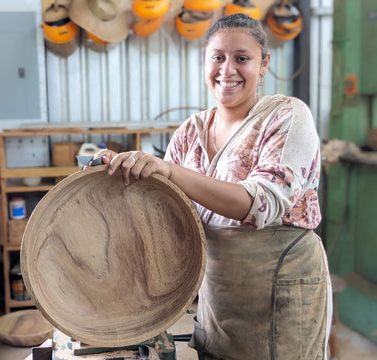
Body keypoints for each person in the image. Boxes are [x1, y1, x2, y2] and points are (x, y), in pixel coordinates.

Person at [92, 13, 331, 360]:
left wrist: (168, 170)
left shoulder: (286, 116)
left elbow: (260, 203)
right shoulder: (191, 132)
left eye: (242, 58)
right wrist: (116, 172)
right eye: (217, 57)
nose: (227, 69)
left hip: (281, 288)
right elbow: (165, 211)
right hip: (218, 292)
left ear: (264, 64)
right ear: (204, 62)